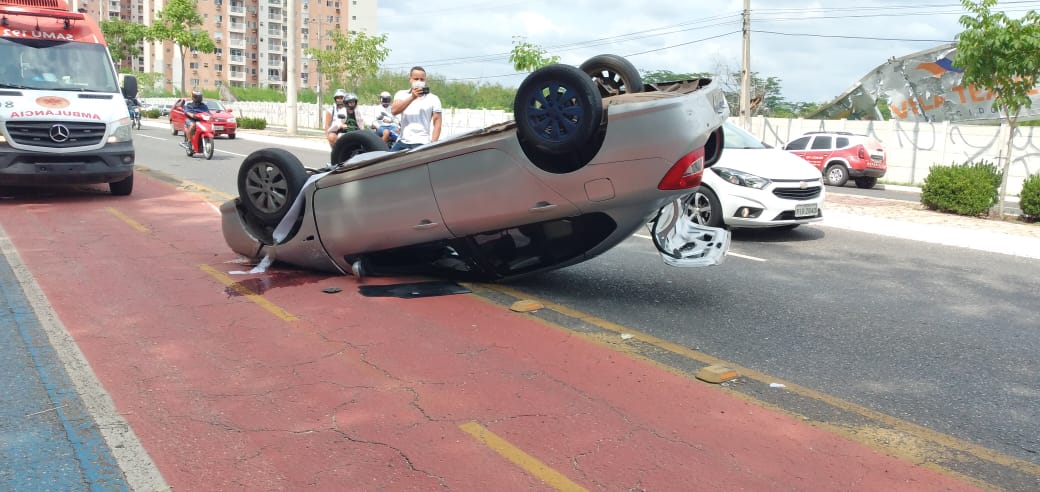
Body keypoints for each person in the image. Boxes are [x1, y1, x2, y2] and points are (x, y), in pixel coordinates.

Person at [390, 66, 442, 151]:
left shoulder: (433, 99)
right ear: (410, 79)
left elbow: (437, 123)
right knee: (388, 162)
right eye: (416, 79)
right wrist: (412, 97)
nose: (419, 82)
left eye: (422, 79)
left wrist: (433, 144)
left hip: (422, 143)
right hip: (403, 141)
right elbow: (394, 111)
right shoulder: (401, 94)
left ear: (425, 80)